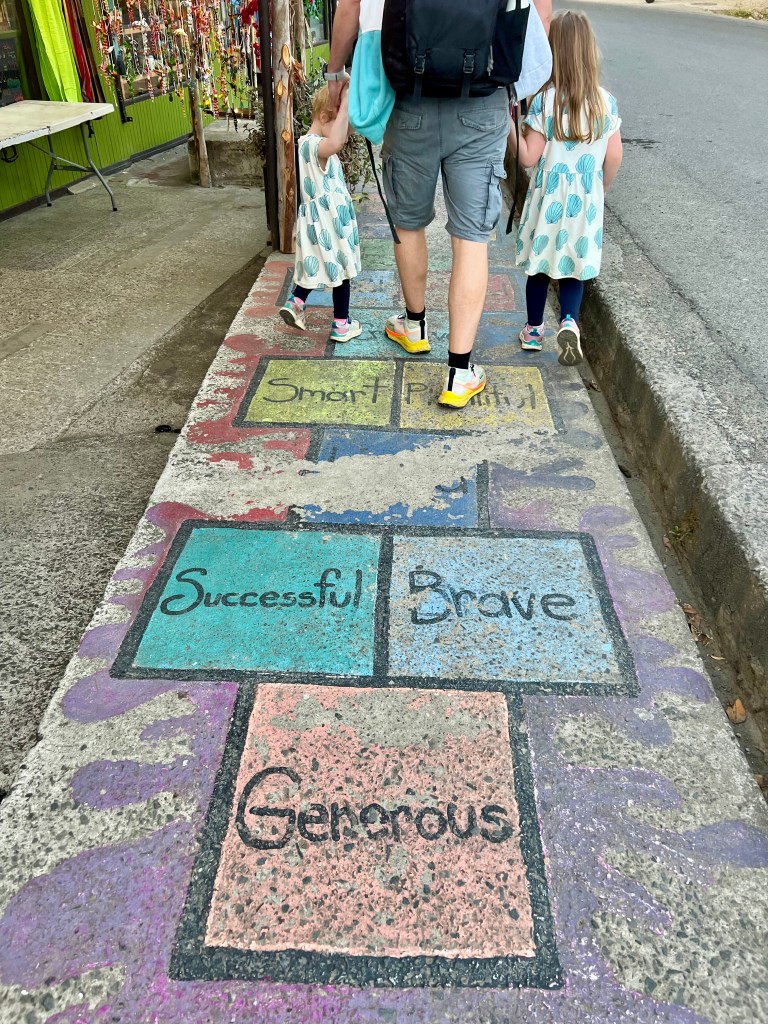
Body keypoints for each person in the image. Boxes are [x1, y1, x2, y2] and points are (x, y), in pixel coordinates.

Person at [326, 0, 551, 409]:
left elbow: (349, 6)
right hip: (483, 100)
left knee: (408, 223)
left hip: (409, 98)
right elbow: (539, 12)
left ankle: (414, 326)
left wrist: (335, 72)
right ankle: (459, 372)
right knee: (471, 238)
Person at [508, 10, 622, 365]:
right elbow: (614, 156)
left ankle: (533, 330)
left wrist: (509, 126)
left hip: (548, 199)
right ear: (590, 51)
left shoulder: (545, 102)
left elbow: (528, 157)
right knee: (575, 264)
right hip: (585, 201)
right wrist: (600, 188)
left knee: (540, 266)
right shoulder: (605, 102)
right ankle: (569, 321)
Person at [279, 83, 363, 343]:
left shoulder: (307, 145)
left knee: (317, 262)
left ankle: (296, 302)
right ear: (324, 118)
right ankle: (341, 325)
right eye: (340, 124)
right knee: (342, 273)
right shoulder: (316, 146)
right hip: (331, 222)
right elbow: (336, 141)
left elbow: (342, 135)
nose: (344, 136)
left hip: (318, 222)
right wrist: (345, 101)